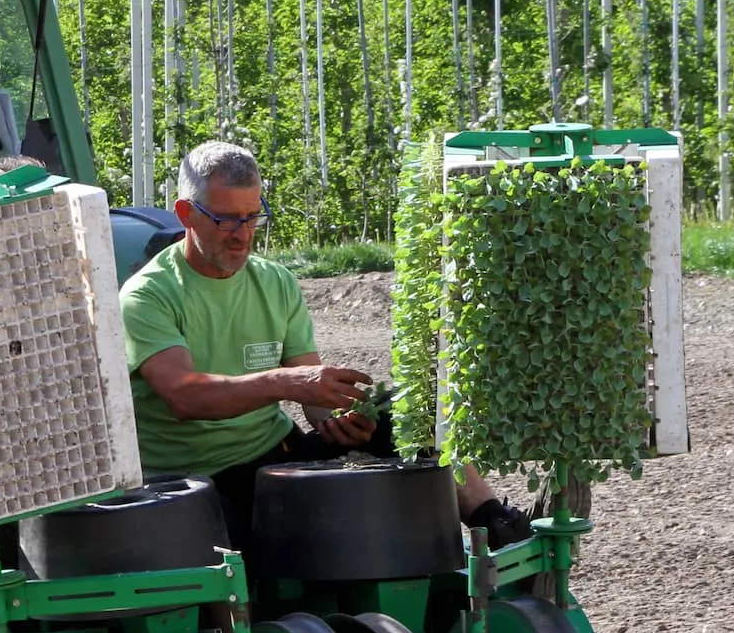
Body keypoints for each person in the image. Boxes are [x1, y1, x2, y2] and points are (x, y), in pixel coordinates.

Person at [120, 140, 532, 552]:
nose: (242, 235)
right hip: (190, 479)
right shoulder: (148, 295)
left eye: (252, 217)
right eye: (226, 220)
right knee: (253, 556)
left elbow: (313, 397)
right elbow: (186, 396)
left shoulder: (275, 281)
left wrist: (340, 419)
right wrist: (286, 381)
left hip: (270, 451)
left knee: (409, 419)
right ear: (186, 213)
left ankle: (495, 522)